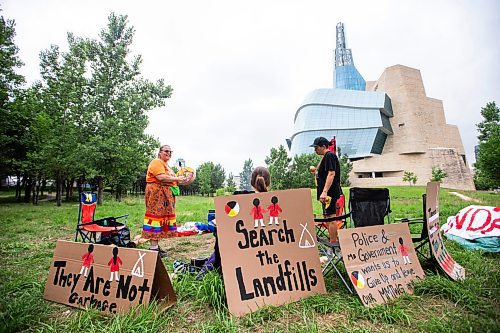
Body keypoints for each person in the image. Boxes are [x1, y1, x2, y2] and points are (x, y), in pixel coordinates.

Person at [143, 145, 186, 258]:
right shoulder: (156, 162)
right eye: (166, 151)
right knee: (155, 218)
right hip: (157, 194)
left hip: (164, 195)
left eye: (170, 151)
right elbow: (161, 177)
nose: (169, 153)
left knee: (161, 219)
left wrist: (182, 179)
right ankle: (153, 249)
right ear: (160, 152)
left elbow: (171, 179)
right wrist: (177, 179)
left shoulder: (166, 165)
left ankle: (155, 247)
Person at [310, 136, 343, 247]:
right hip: (326, 194)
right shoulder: (325, 157)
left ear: (323, 146)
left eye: (316, 147)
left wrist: (324, 191)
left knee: (331, 217)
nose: (315, 150)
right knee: (327, 217)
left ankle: (333, 245)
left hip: (330, 193)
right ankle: (332, 240)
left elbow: (331, 173)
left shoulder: (330, 155)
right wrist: (316, 171)